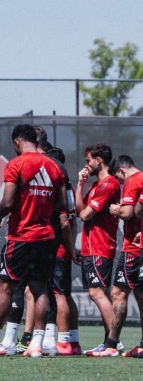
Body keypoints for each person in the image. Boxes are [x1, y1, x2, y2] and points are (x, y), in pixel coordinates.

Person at [0, 124, 72, 358]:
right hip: (46, 236)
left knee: (6, 287)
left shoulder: (17, 164)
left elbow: (8, 201)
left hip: (21, 235)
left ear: (17, 142)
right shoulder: (55, 166)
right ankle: (37, 344)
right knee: (40, 288)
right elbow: (63, 205)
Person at [75, 143, 121, 356]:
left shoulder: (108, 185)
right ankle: (108, 342)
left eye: (88, 160)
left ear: (98, 160)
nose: (86, 165)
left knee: (96, 292)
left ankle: (114, 341)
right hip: (90, 247)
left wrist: (84, 208)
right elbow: (79, 210)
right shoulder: (94, 186)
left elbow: (85, 215)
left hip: (100, 247)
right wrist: (80, 184)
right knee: (100, 292)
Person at [45, 147, 81, 356]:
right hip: (64, 247)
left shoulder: (60, 189)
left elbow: (65, 223)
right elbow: (72, 224)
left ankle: (63, 342)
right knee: (65, 295)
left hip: (58, 248)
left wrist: (68, 246)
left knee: (58, 295)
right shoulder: (70, 188)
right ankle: (74, 341)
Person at [107, 155, 143, 355]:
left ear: (121, 171)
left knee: (124, 293)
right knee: (133, 294)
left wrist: (116, 209)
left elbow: (129, 213)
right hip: (137, 246)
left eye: (119, 180)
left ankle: (111, 345)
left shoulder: (132, 180)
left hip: (133, 248)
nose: (121, 184)